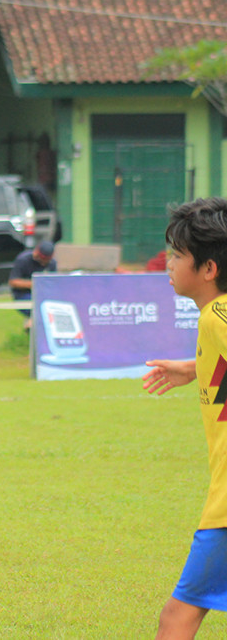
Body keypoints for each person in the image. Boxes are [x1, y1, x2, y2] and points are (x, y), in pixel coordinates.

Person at [142, 198, 227, 640]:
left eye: (178, 256)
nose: (169, 265)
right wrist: (195, 367)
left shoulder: (216, 316)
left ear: (209, 269)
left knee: (178, 616)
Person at [8, 240, 57, 331]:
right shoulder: (23, 260)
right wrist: (35, 283)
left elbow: (53, 282)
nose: (43, 263)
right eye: (42, 260)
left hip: (44, 295)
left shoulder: (52, 264)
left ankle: (33, 326)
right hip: (23, 295)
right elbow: (13, 281)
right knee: (39, 307)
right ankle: (31, 325)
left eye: (46, 261)